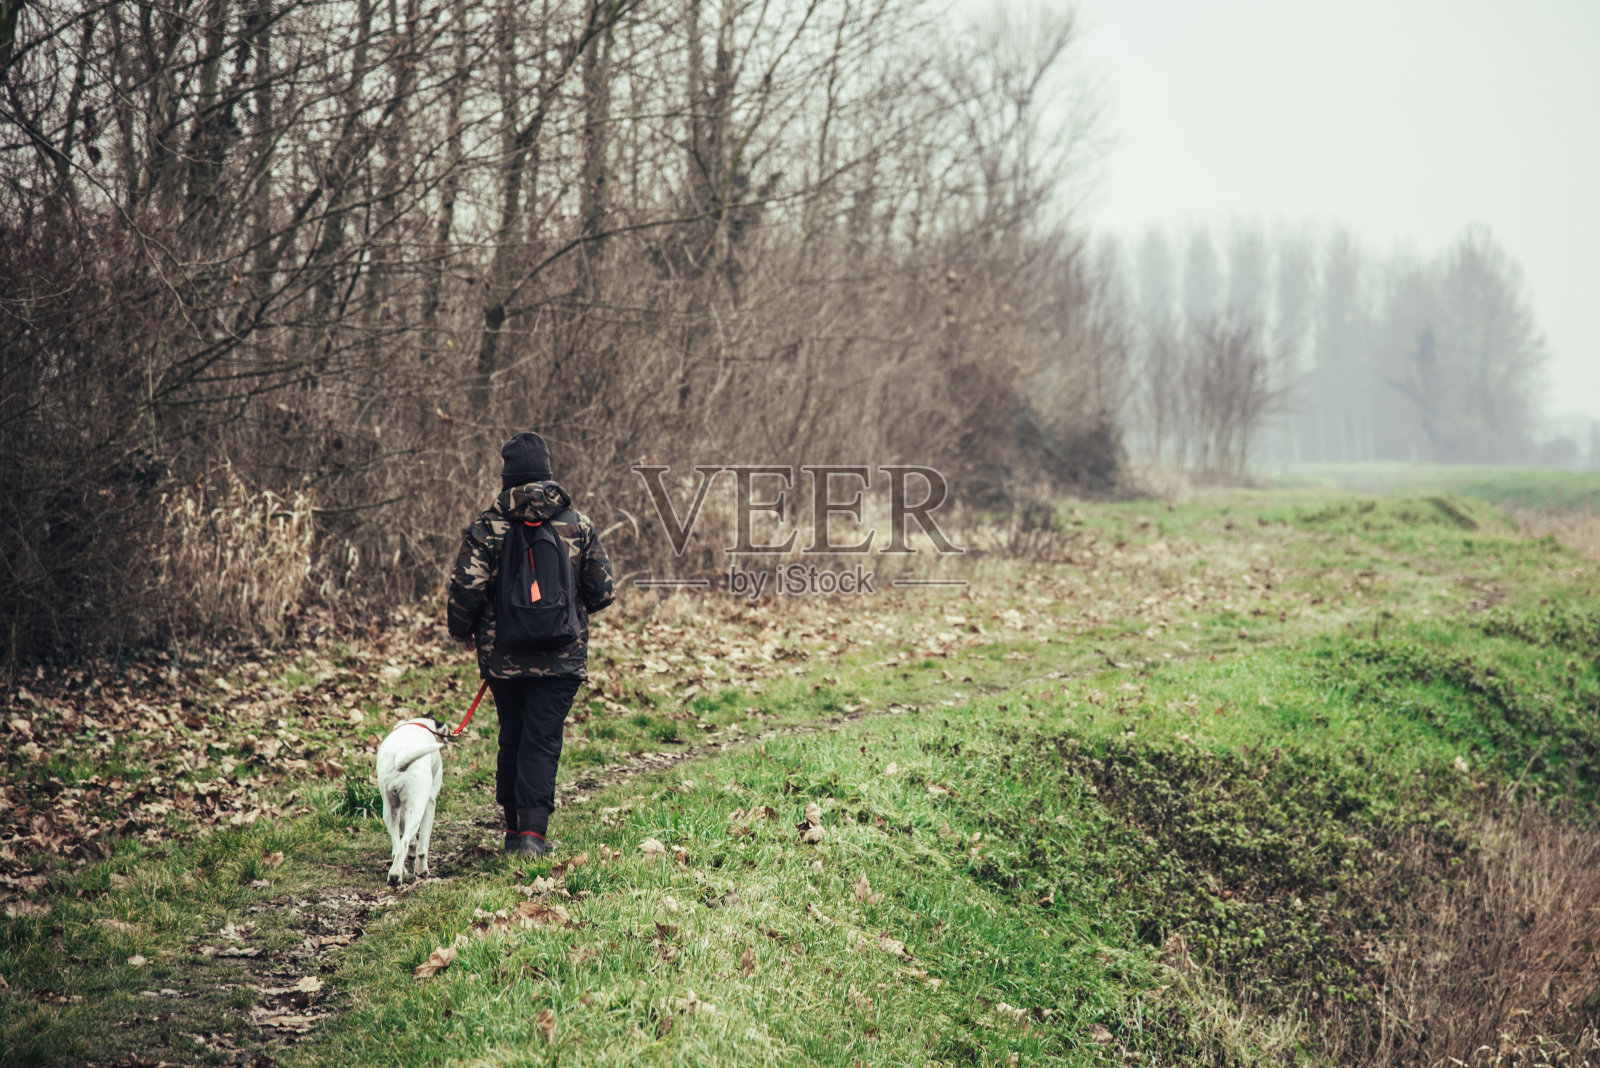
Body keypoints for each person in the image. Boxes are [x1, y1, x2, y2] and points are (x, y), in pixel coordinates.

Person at [447, 432, 615, 856]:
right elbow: (603, 592)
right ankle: (533, 837)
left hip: (503, 657)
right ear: (547, 473)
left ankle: (511, 829)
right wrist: (564, 613)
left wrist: (462, 630)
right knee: (542, 740)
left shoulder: (488, 527)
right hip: (562, 659)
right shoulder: (578, 524)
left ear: (506, 476)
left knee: (513, 736)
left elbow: (466, 587)